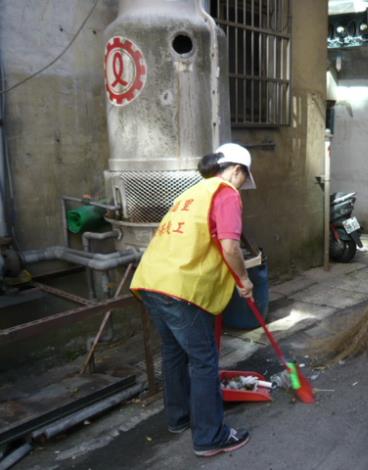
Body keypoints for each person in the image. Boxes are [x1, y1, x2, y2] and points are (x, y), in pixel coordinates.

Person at [130, 143, 255, 457]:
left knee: (173, 353)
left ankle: (179, 417)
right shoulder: (226, 193)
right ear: (237, 170)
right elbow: (230, 246)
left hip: (150, 282)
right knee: (204, 361)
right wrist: (245, 280)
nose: (242, 185)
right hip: (181, 289)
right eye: (243, 178)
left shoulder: (191, 193)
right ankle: (210, 437)